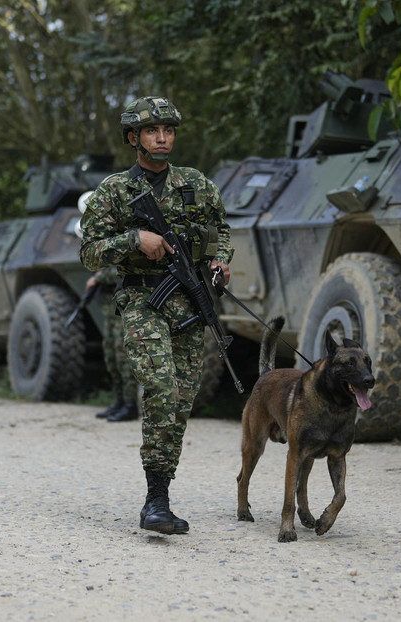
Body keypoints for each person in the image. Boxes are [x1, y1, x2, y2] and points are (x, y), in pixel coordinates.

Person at [80, 95, 233, 534]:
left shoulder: (196, 184)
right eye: (152, 131)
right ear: (134, 138)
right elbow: (89, 253)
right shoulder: (114, 191)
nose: (162, 138)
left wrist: (221, 261)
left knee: (181, 400)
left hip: (190, 304)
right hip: (142, 301)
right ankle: (155, 502)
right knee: (162, 388)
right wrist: (135, 240)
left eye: (168, 131)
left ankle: (162, 490)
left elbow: (221, 231)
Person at [89, 266, 140, 422]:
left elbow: (121, 271)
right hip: (111, 312)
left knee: (123, 359)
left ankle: (130, 404)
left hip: (125, 311)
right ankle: (120, 401)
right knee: (111, 357)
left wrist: (98, 278)